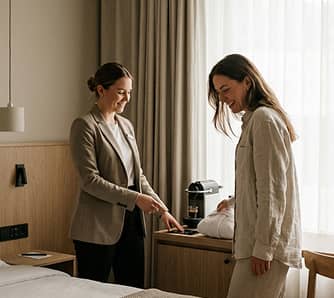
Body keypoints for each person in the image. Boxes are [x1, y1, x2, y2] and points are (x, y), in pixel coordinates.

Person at [69, 62, 183, 288]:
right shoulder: (85, 125)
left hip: (131, 222)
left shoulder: (126, 126)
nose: (127, 99)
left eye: (129, 92)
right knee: (94, 291)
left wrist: (162, 210)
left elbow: (137, 176)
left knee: (133, 288)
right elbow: (90, 181)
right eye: (121, 92)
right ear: (101, 90)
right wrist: (136, 199)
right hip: (97, 226)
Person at [208, 54, 302, 298]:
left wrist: (264, 248)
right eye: (219, 92)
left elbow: (273, 191)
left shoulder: (264, 120)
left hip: (263, 248)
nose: (223, 98)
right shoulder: (254, 120)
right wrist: (233, 201)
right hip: (256, 245)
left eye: (226, 89)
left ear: (247, 82)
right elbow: (261, 181)